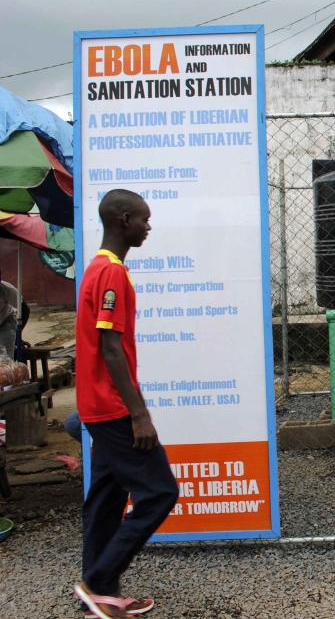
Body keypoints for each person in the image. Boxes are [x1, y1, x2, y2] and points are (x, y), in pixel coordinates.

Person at [73, 189, 178, 619]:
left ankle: (99, 593)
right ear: (122, 219)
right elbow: (110, 348)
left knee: (105, 496)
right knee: (160, 492)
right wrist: (139, 414)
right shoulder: (110, 273)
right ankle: (98, 581)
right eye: (143, 219)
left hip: (97, 404)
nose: (148, 227)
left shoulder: (99, 269)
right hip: (113, 408)